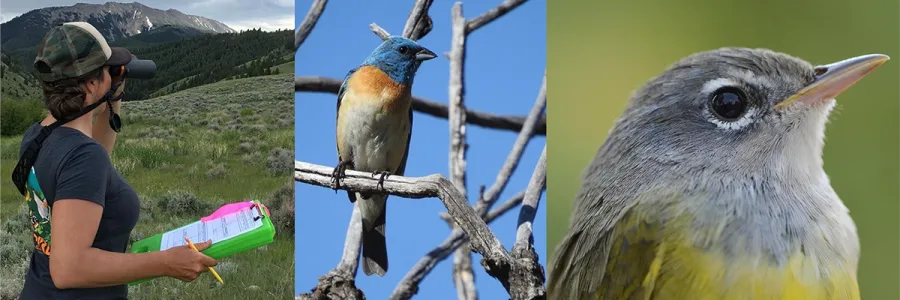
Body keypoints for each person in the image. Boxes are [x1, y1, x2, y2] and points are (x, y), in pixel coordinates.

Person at [14, 22, 217, 299]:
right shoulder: (82, 156)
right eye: (106, 71)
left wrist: (113, 94)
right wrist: (166, 262)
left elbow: (90, 172)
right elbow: (68, 269)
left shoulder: (37, 136)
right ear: (91, 83)